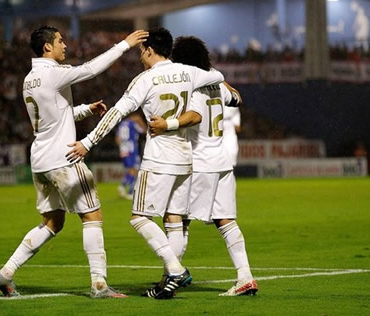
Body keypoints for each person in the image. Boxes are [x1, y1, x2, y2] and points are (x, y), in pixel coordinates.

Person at [66, 27, 225, 299]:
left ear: (150, 50)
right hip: (185, 157)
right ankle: (169, 280)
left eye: (142, 52)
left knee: (140, 218)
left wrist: (88, 142)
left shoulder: (145, 79)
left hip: (159, 157)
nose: (141, 57)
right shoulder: (190, 72)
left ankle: (175, 269)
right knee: (174, 221)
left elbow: (116, 113)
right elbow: (218, 76)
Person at [0, 26, 148, 298]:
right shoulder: (53, 72)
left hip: (40, 160)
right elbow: (90, 69)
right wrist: (124, 44)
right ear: (46, 48)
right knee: (93, 215)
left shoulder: (30, 79)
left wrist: (86, 109)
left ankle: (6, 273)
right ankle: (99, 284)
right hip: (64, 157)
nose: (65, 45)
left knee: (53, 222)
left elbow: (55, 117)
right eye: (60, 41)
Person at [149, 36, 258, 296]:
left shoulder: (191, 86)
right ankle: (245, 276)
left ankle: (170, 279)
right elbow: (237, 98)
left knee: (175, 220)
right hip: (221, 162)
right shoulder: (216, 85)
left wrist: (168, 124)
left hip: (197, 163)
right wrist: (215, 75)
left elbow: (193, 116)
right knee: (226, 221)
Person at [115, 111, 146, 200]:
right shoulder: (133, 124)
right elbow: (143, 130)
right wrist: (140, 121)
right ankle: (128, 190)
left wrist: (122, 148)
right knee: (135, 169)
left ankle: (125, 188)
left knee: (131, 169)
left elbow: (117, 138)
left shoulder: (122, 124)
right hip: (132, 148)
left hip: (123, 148)